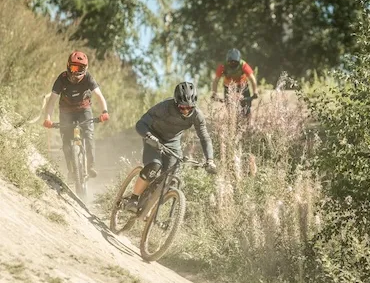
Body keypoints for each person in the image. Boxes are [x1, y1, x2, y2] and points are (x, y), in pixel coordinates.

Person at [124, 81, 216, 212]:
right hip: (154, 137)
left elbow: (205, 137)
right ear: (175, 102)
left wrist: (210, 160)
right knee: (154, 166)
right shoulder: (164, 108)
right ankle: (133, 198)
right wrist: (150, 137)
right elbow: (141, 124)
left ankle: (149, 209)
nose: (186, 110)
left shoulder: (197, 116)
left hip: (172, 143)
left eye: (190, 107)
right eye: (182, 107)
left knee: (172, 180)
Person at [43, 51, 109, 179]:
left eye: (80, 68)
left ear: (85, 69)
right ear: (68, 66)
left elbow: (99, 96)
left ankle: (91, 166)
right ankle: (71, 171)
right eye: (73, 67)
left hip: (84, 109)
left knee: (89, 134)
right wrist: (48, 118)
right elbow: (52, 100)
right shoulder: (61, 79)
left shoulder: (88, 78)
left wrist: (104, 112)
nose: (75, 72)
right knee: (66, 141)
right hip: (66, 110)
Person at [211, 48, 259, 116]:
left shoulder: (243, 65)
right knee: (230, 110)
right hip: (229, 87)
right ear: (227, 61)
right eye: (231, 62)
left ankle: (248, 124)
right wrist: (214, 93)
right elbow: (216, 81)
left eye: (235, 62)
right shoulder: (223, 66)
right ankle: (233, 123)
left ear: (239, 61)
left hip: (243, 86)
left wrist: (255, 91)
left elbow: (252, 79)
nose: (233, 64)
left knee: (247, 108)